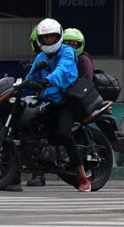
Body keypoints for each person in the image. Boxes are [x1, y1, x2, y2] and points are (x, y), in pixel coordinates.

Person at [19, 18, 92, 192]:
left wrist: (47, 80)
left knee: (63, 133)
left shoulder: (67, 52)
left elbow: (63, 70)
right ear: (40, 39)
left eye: (52, 37)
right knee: (28, 129)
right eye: (46, 38)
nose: (49, 40)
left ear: (58, 36)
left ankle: (82, 177)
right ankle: (17, 176)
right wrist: (19, 87)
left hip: (65, 102)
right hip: (46, 102)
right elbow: (31, 76)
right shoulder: (40, 57)